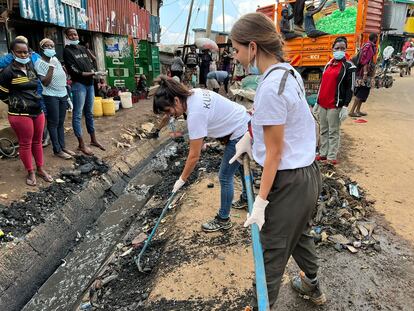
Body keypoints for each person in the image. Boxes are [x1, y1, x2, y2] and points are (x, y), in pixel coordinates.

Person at [230, 13, 325, 310]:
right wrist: (251, 139)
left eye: (236, 48)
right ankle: (312, 285)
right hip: (308, 174)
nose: (235, 54)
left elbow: (274, 154)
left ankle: (263, 304)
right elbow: (289, 124)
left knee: (270, 248)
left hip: (290, 180)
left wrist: (260, 203)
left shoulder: (271, 87)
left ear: (253, 47)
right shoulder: (287, 73)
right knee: (297, 234)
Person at [153, 76, 249, 232]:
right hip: (242, 121)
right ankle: (245, 198)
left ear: (176, 100)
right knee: (237, 165)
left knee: (225, 176)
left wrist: (182, 179)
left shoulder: (195, 114)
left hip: (239, 131)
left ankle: (223, 219)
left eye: (170, 111)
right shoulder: (193, 93)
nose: (172, 115)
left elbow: (194, 156)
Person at [0, 39, 53, 185]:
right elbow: (2, 94)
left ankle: (40, 169)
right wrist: (16, 103)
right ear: (12, 53)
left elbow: (39, 84)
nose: (23, 55)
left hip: (37, 110)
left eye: (26, 52)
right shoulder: (7, 72)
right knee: (25, 143)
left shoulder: (31, 67)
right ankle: (30, 172)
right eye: (19, 52)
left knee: (38, 141)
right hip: (20, 114)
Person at [313, 37, 355, 165]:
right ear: (332, 49)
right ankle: (323, 153)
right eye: (337, 48)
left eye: (342, 48)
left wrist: (345, 106)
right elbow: (322, 84)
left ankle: (331, 156)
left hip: (335, 105)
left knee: (333, 131)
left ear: (346, 49)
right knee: (323, 130)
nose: (339, 51)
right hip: (323, 104)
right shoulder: (328, 64)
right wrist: (317, 101)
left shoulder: (349, 67)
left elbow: (350, 87)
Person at [63, 27, 105, 155]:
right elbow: (73, 70)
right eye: (71, 35)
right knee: (77, 115)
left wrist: (95, 74)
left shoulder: (82, 48)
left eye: (75, 34)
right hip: (78, 85)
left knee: (89, 113)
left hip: (90, 84)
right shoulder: (67, 51)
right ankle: (81, 144)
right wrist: (92, 73)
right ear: (67, 37)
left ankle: (93, 140)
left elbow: (91, 63)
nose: (74, 37)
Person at [35, 38, 75, 160]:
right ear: (42, 48)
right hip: (51, 95)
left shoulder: (55, 59)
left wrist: (67, 96)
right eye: (48, 46)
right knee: (53, 122)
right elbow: (45, 83)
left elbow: (62, 76)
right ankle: (57, 150)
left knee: (61, 122)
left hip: (62, 94)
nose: (51, 48)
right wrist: (51, 67)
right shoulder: (39, 63)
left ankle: (62, 147)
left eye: (52, 46)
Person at [349, 33, 378, 117]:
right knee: (361, 92)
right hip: (364, 73)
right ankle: (352, 111)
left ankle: (357, 110)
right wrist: (365, 73)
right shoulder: (369, 47)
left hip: (365, 73)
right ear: (375, 38)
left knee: (364, 92)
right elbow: (365, 61)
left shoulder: (368, 45)